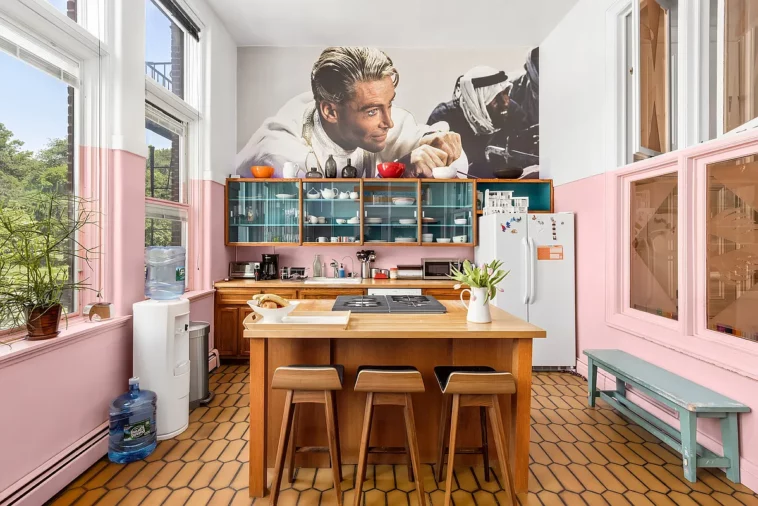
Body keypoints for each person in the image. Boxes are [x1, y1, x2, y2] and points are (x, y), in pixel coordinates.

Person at [235, 47, 467, 178]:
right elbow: (327, 202)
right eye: (372, 111)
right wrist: (405, 168)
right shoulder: (277, 149)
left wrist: (440, 147)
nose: (389, 122)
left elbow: (453, 161)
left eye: (389, 104)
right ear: (330, 112)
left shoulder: (384, 123)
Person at [426, 65, 531, 179]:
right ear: (477, 100)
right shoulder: (444, 117)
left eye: (506, 92)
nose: (505, 102)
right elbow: (431, 168)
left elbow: (526, 155)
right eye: (496, 97)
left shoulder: (512, 112)